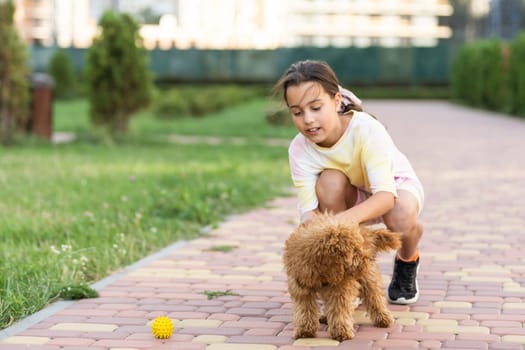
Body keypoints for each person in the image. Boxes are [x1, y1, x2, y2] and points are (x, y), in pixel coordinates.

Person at [273, 60, 424, 305]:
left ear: (336, 101)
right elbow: (308, 212)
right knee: (329, 181)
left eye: (316, 108)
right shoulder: (299, 149)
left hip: (394, 188)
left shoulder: (366, 130)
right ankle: (346, 278)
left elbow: (385, 196)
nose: (308, 120)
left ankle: (408, 259)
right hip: (352, 193)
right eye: (297, 112)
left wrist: (336, 224)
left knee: (400, 214)